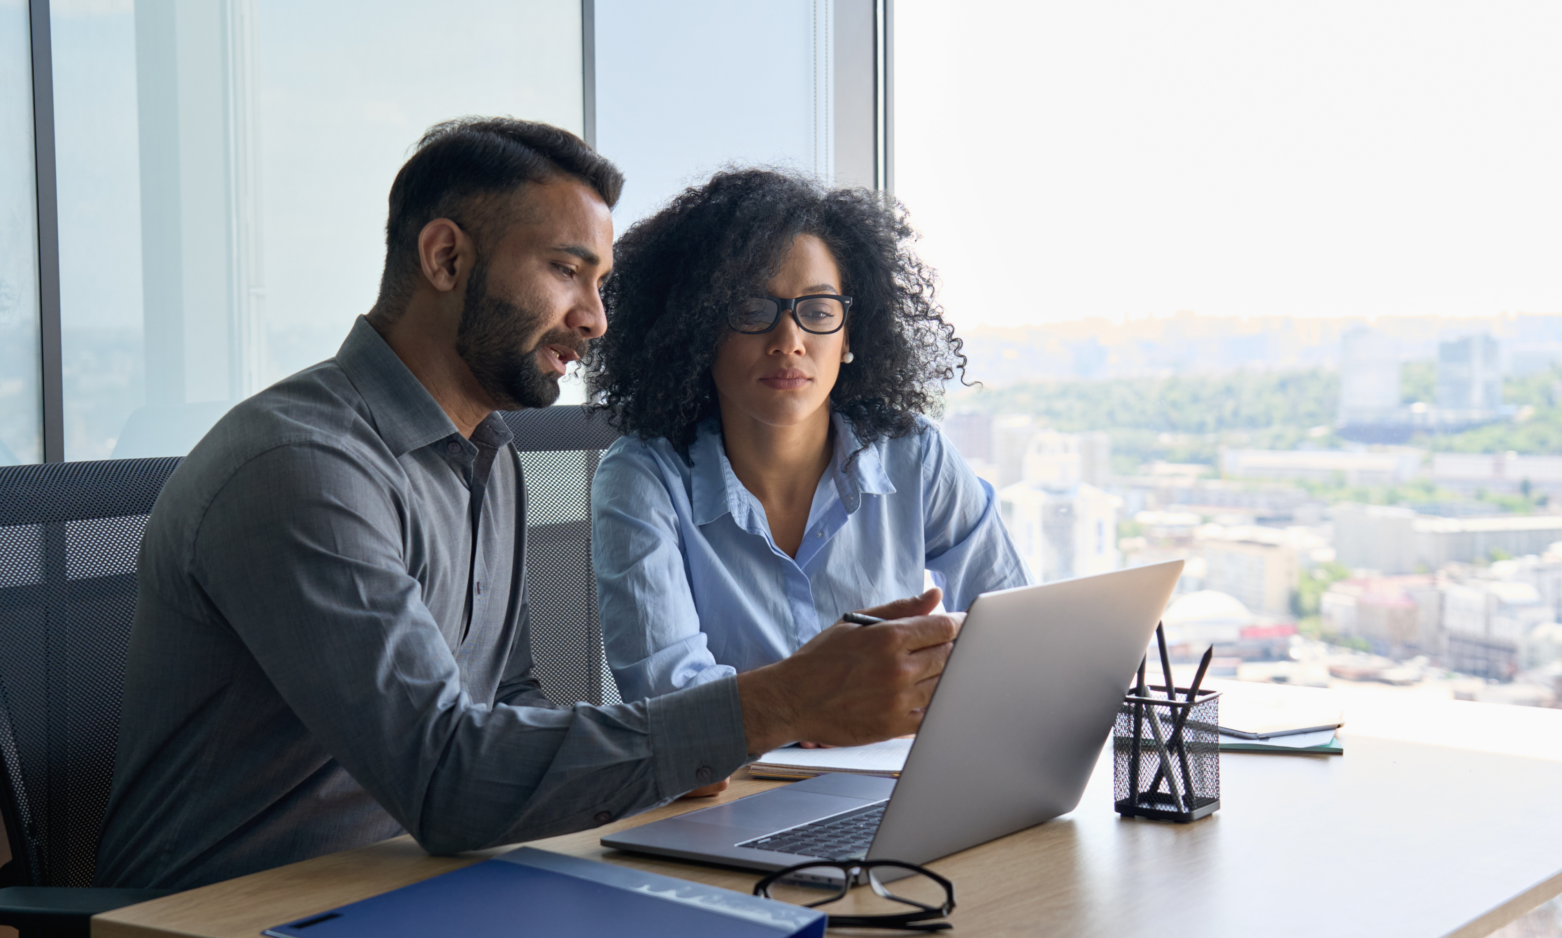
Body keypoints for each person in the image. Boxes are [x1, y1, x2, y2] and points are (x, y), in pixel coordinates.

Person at [94, 120, 959, 890]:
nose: (595, 320)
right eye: (566, 272)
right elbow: (445, 778)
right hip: (235, 910)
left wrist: (676, 749)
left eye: (601, 282)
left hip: (423, 883)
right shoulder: (303, 468)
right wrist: (772, 705)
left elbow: (507, 700)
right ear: (446, 259)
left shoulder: (490, 455)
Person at [586, 170, 1030, 776]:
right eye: (751, 309)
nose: (789, 339)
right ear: (697, 330)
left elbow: (1014, 632)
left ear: (850, 333)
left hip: (902, 781)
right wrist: (806, 709)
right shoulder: (642, 478)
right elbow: (673, 706)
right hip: (730, 799)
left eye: (818, 310)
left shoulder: (915, 455)